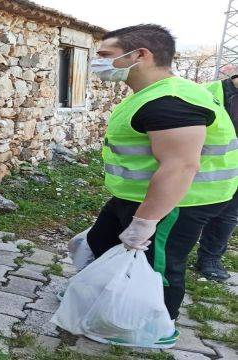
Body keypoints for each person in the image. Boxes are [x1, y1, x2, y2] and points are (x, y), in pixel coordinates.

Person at [86, 24, 238, 347]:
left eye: (105, 55)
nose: (97, 62)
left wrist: (144, 223)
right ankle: (111, 298)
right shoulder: (154, 93)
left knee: (161, 264)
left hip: (178, 201)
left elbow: (180, 166)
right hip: (137, 195)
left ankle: (157, 326)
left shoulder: (171, 101)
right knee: (101, 241)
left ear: (139, 55)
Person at [195, 77, 238, 281]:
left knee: (228, 216)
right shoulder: (210, 91)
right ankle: (164, 255)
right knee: (182, 214)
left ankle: (210, 259)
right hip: (200, 170)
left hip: (233, 174)